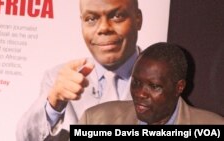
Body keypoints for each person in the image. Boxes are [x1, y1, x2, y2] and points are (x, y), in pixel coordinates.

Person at [16, 0, 142, 140]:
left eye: (117, 16)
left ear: (138, 19)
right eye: (91, 19)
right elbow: (26, 138)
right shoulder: (58, 80)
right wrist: (54, 103)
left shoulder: (167, 81)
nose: (104, 28)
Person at [79, 42, 224, 125]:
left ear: (179, 87)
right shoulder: (95, 120)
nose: (140, 93)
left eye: (154, 86)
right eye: (136, 82)